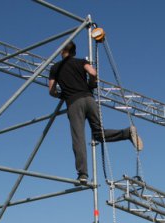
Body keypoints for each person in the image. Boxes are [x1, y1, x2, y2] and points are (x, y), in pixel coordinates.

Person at [48, 41, 143, 185]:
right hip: (89, 99)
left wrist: (62, 95)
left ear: (62, 52)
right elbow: (93, 73)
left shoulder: (55, 68)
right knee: (98, 133)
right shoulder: (81, 62)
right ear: (74, 52)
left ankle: (83, 174)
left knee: (78, 137)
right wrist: (91, 84)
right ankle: (127, 133)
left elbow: (51, 90)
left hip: (74, 103)